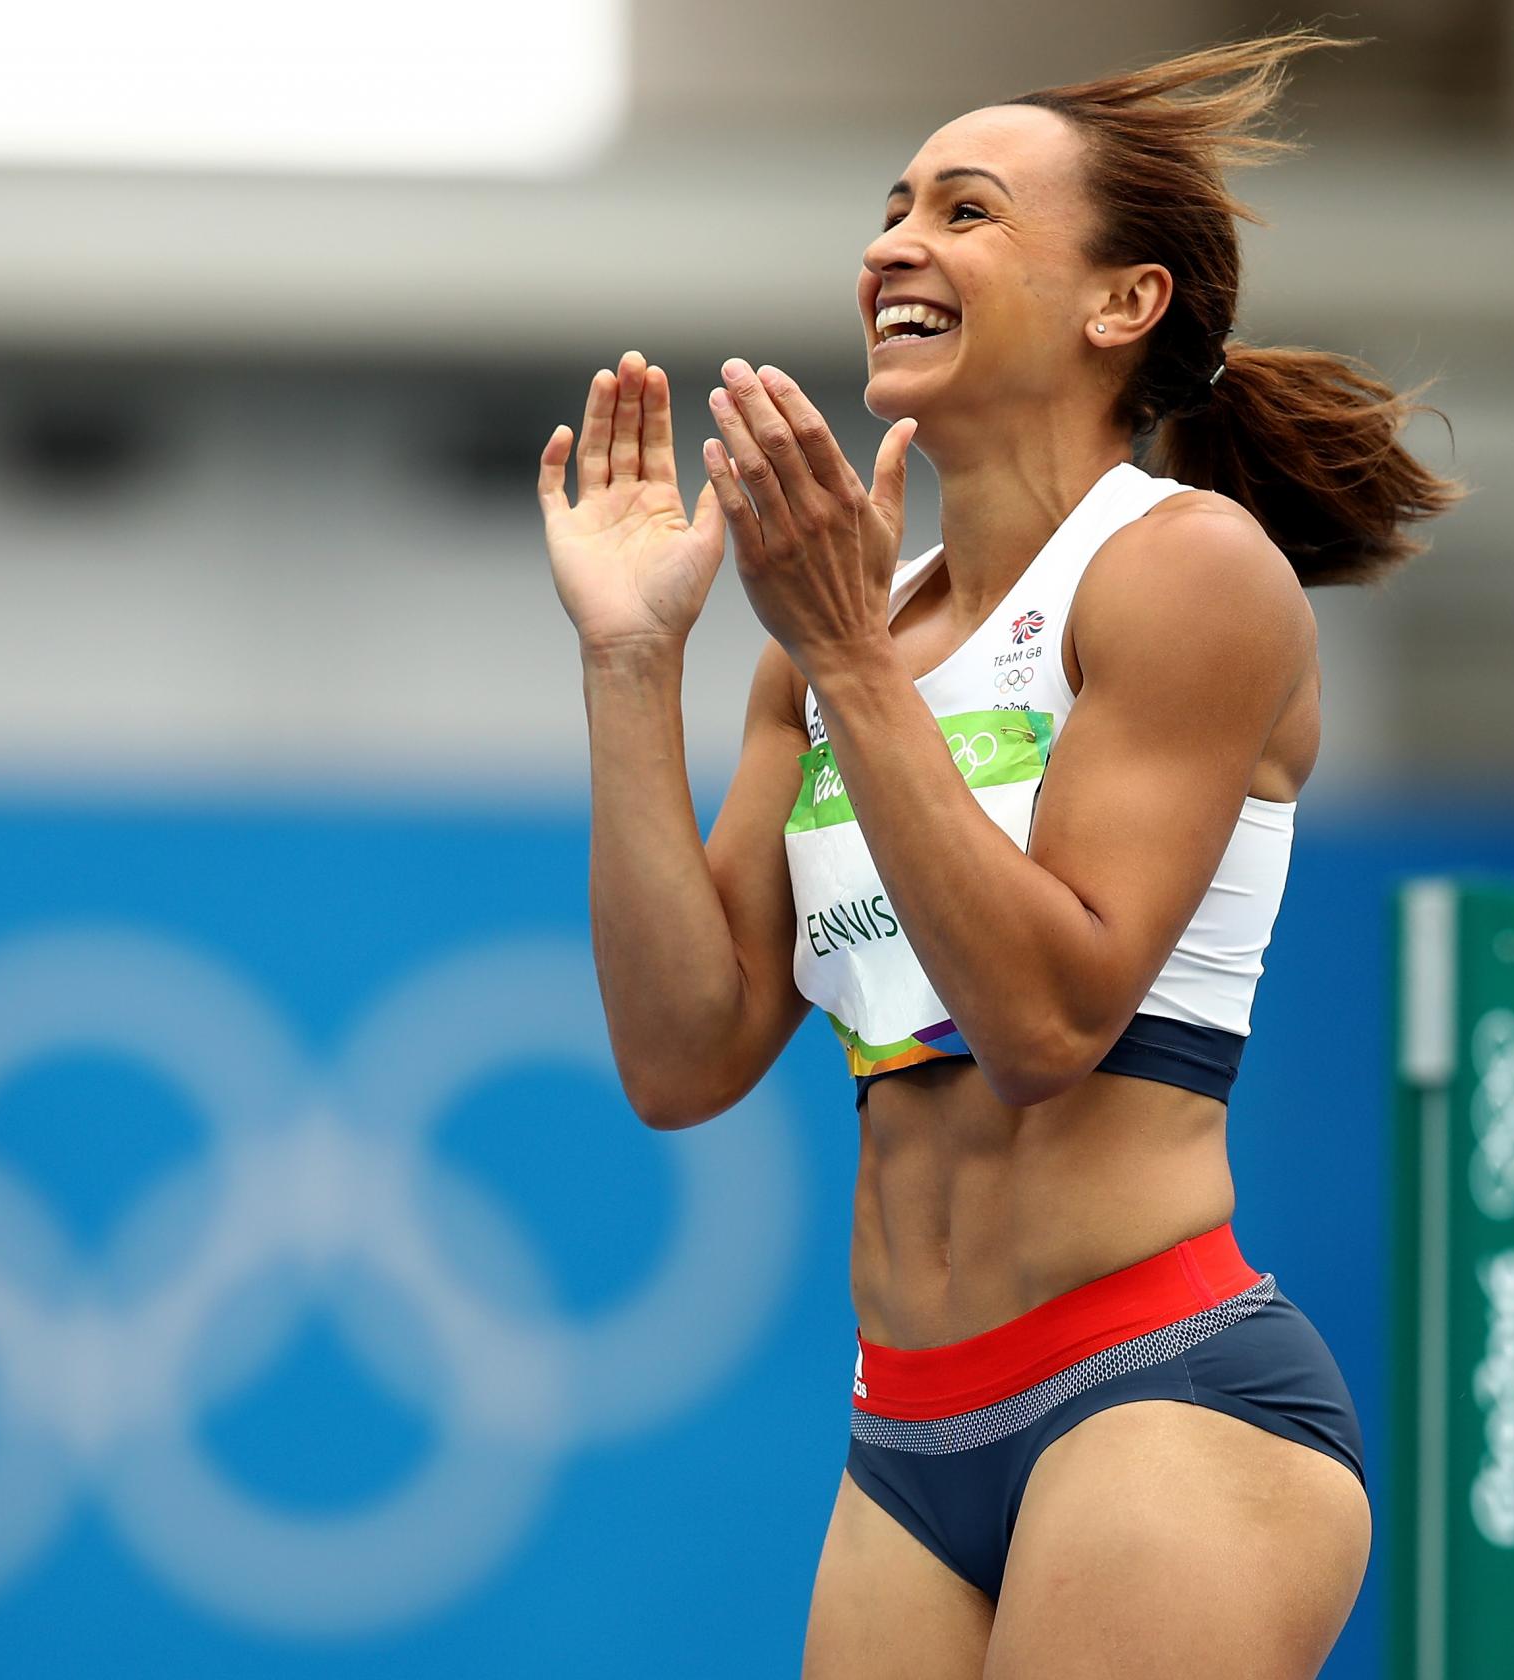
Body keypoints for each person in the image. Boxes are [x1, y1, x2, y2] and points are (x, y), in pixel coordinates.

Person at [533, 29, 1459, 1679]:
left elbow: (1044, 1028)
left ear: (1126, 304)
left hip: (1160, 1390)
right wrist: (629, 665)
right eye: (893, 208)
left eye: (967, 213)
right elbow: (682, 1061)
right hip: (907, 1432)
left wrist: (849, 662)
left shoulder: (1183, 572)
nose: (897, 242)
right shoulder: (836, 641)